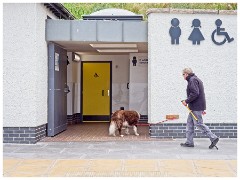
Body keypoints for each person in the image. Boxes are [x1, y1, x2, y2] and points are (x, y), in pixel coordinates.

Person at [181, 68, 219, 149]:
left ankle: (213, 137)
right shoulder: (194, 79)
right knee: (189, 124)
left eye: (183, 74)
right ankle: (189, 142)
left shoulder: (192, 80)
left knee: (198, 123)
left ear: (186, 74)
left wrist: (186, 101)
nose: (183, 76)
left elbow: (195, 93)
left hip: (196, 107)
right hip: (194, 107)